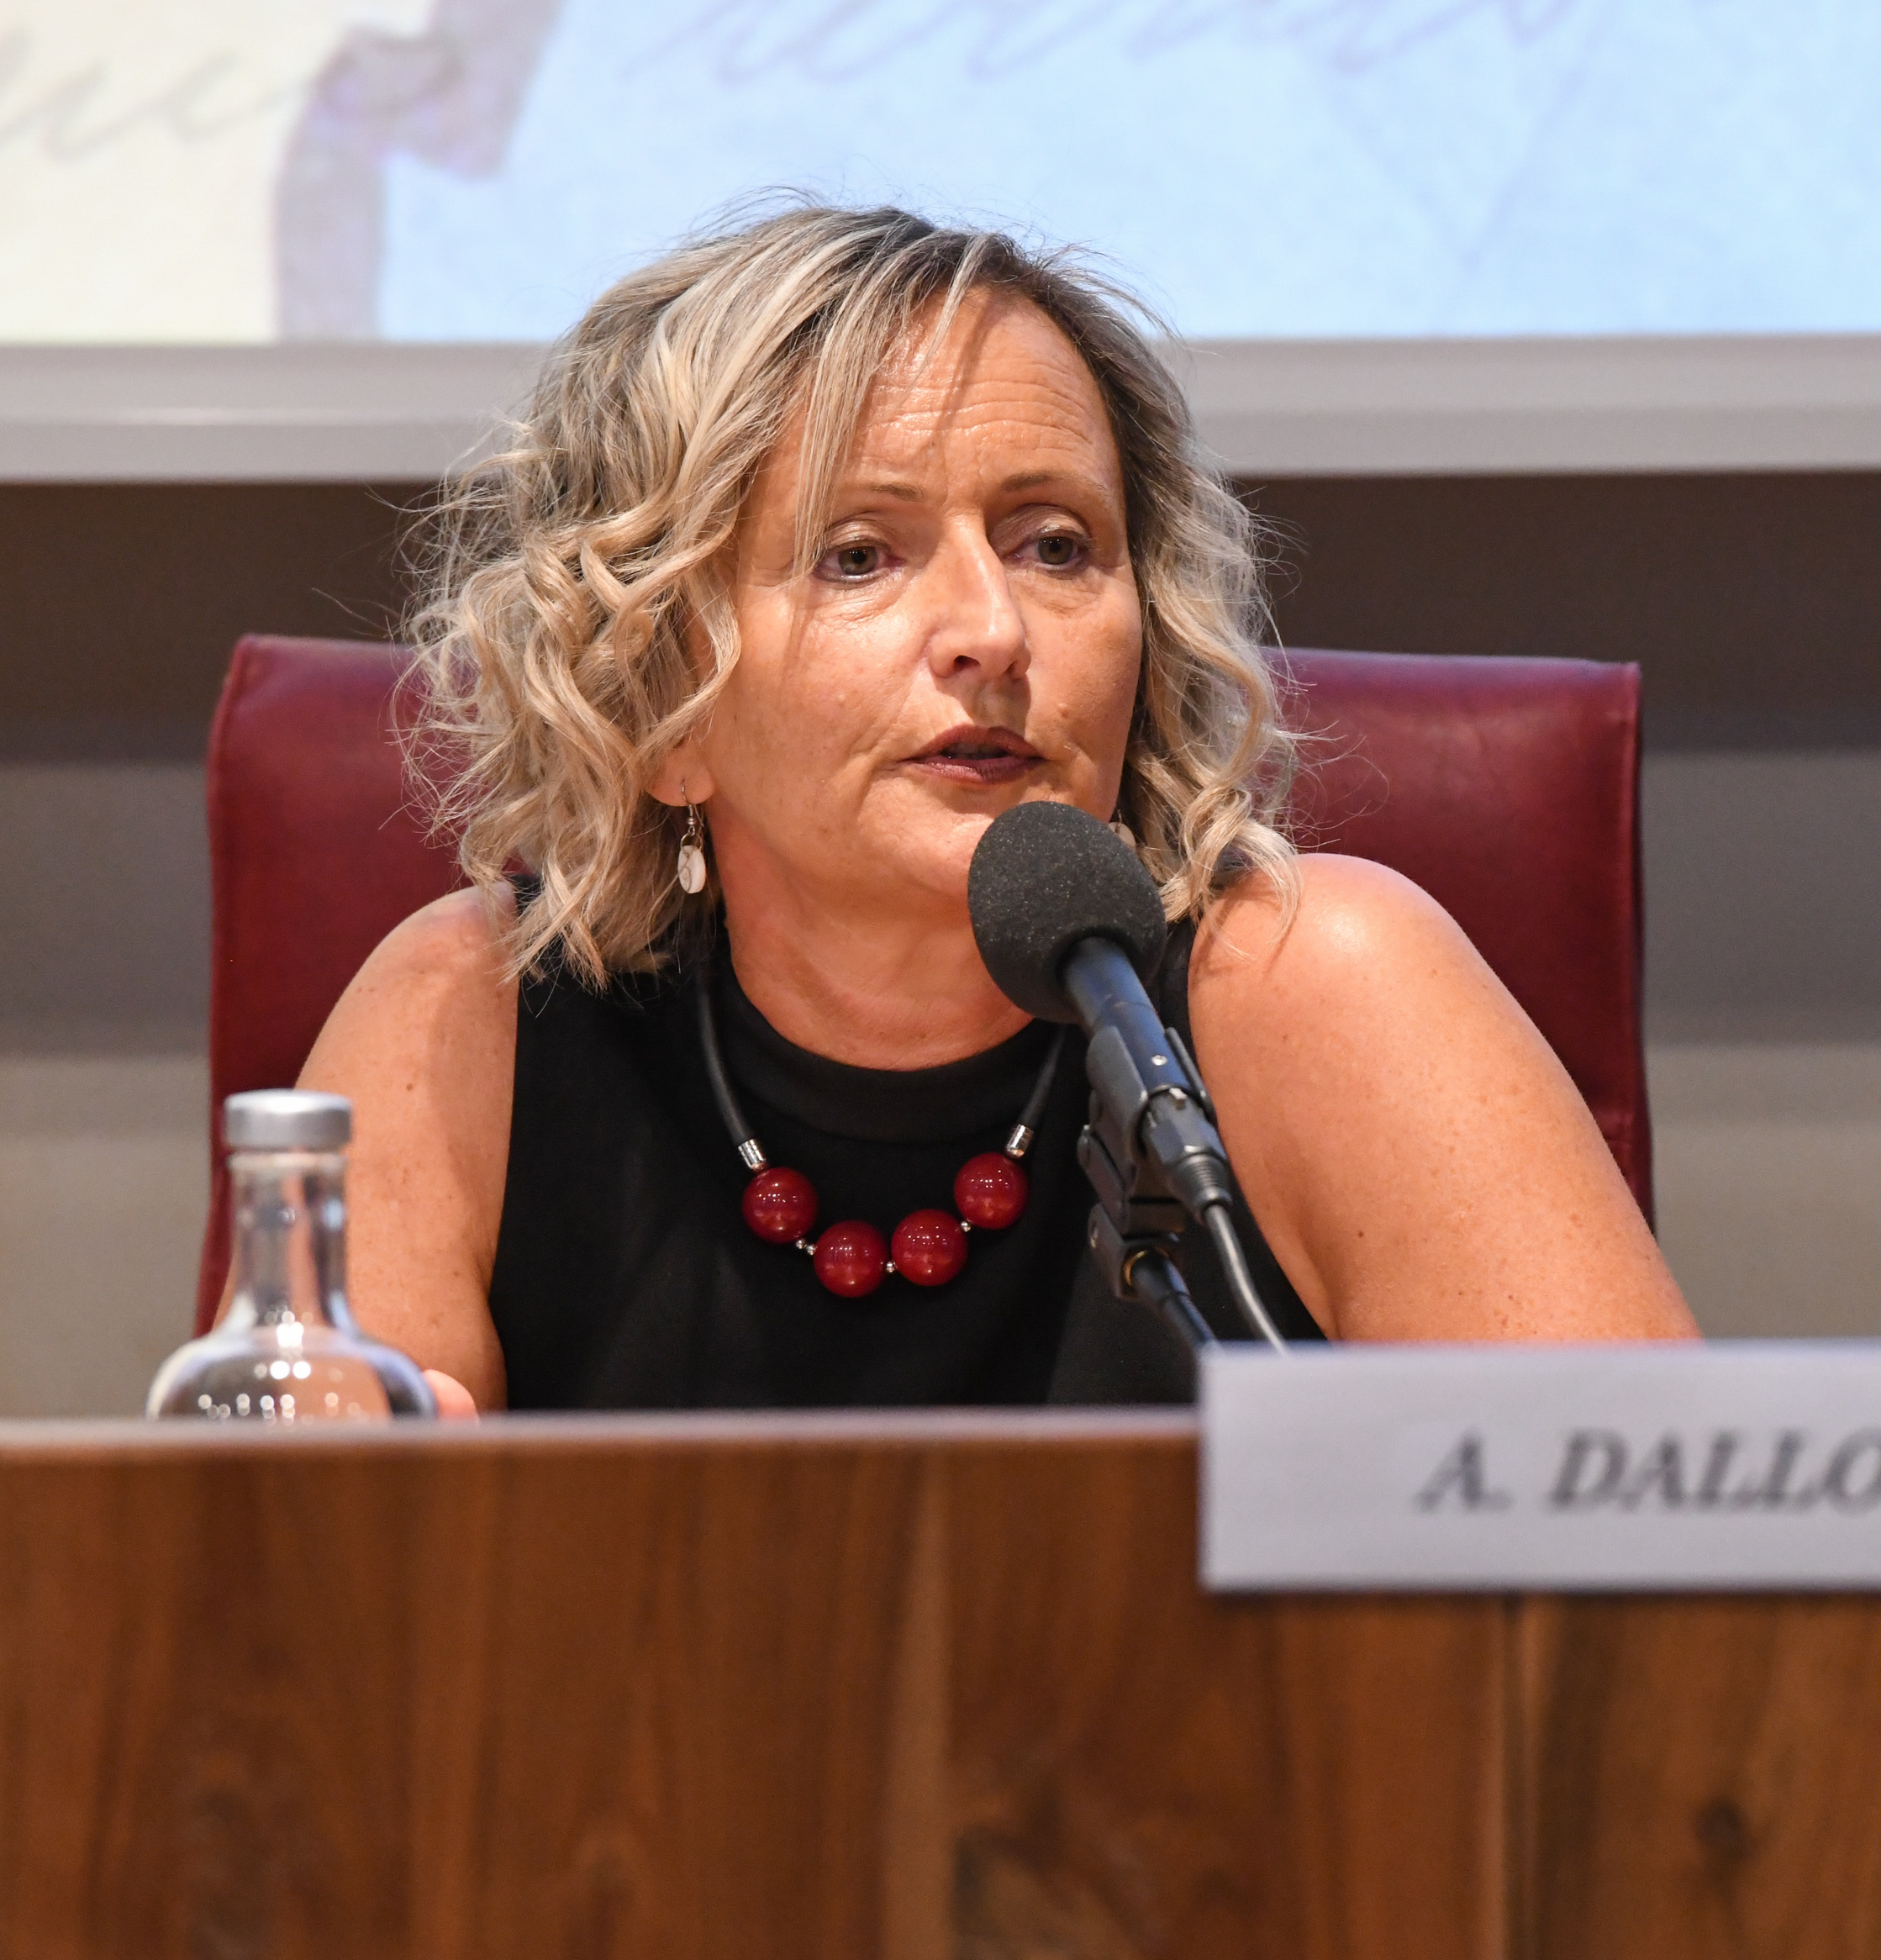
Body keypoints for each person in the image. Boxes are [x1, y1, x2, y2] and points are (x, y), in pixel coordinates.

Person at [305, 204, 1694, 1413]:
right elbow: (299, 1599)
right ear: (660, 696)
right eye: (860, 555)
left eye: (1056, 545)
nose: (992, 630)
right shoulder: (467, 1029)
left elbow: (1654, 1573)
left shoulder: (1315, 986)